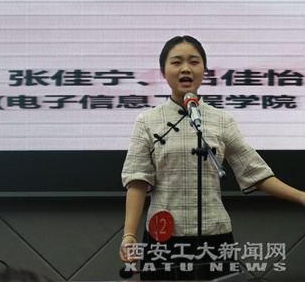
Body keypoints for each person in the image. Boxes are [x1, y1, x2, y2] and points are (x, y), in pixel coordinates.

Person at [119, 35, 305, 280]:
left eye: (194, 62)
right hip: (162, 237)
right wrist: (129, 234)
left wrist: (301, 196)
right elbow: (138, 180)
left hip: (214, 235)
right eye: (176, 62)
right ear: (163, 72)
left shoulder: (221, 120)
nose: (186, 68)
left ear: (204, 71)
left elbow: (254, 172)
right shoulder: (147, 121)